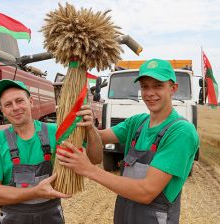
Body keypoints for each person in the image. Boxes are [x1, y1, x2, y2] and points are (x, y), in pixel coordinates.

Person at [57, 58, 199, 224]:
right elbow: (99, 137)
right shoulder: (138, 123)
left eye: (158, 85)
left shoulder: (181, 132)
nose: (150, 92)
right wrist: (86, 124)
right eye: (145, 86)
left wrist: (88, 170)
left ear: (173, 88)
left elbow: (147, 192)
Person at [0, 79, 102, 224]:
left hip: (51, 217)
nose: (15, 107)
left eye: (19, 100)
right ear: (2, 110)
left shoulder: (56, 131)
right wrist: (35, 192)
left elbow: (95, 159)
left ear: (31, 101)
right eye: (8, 104)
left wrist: (90, 128)